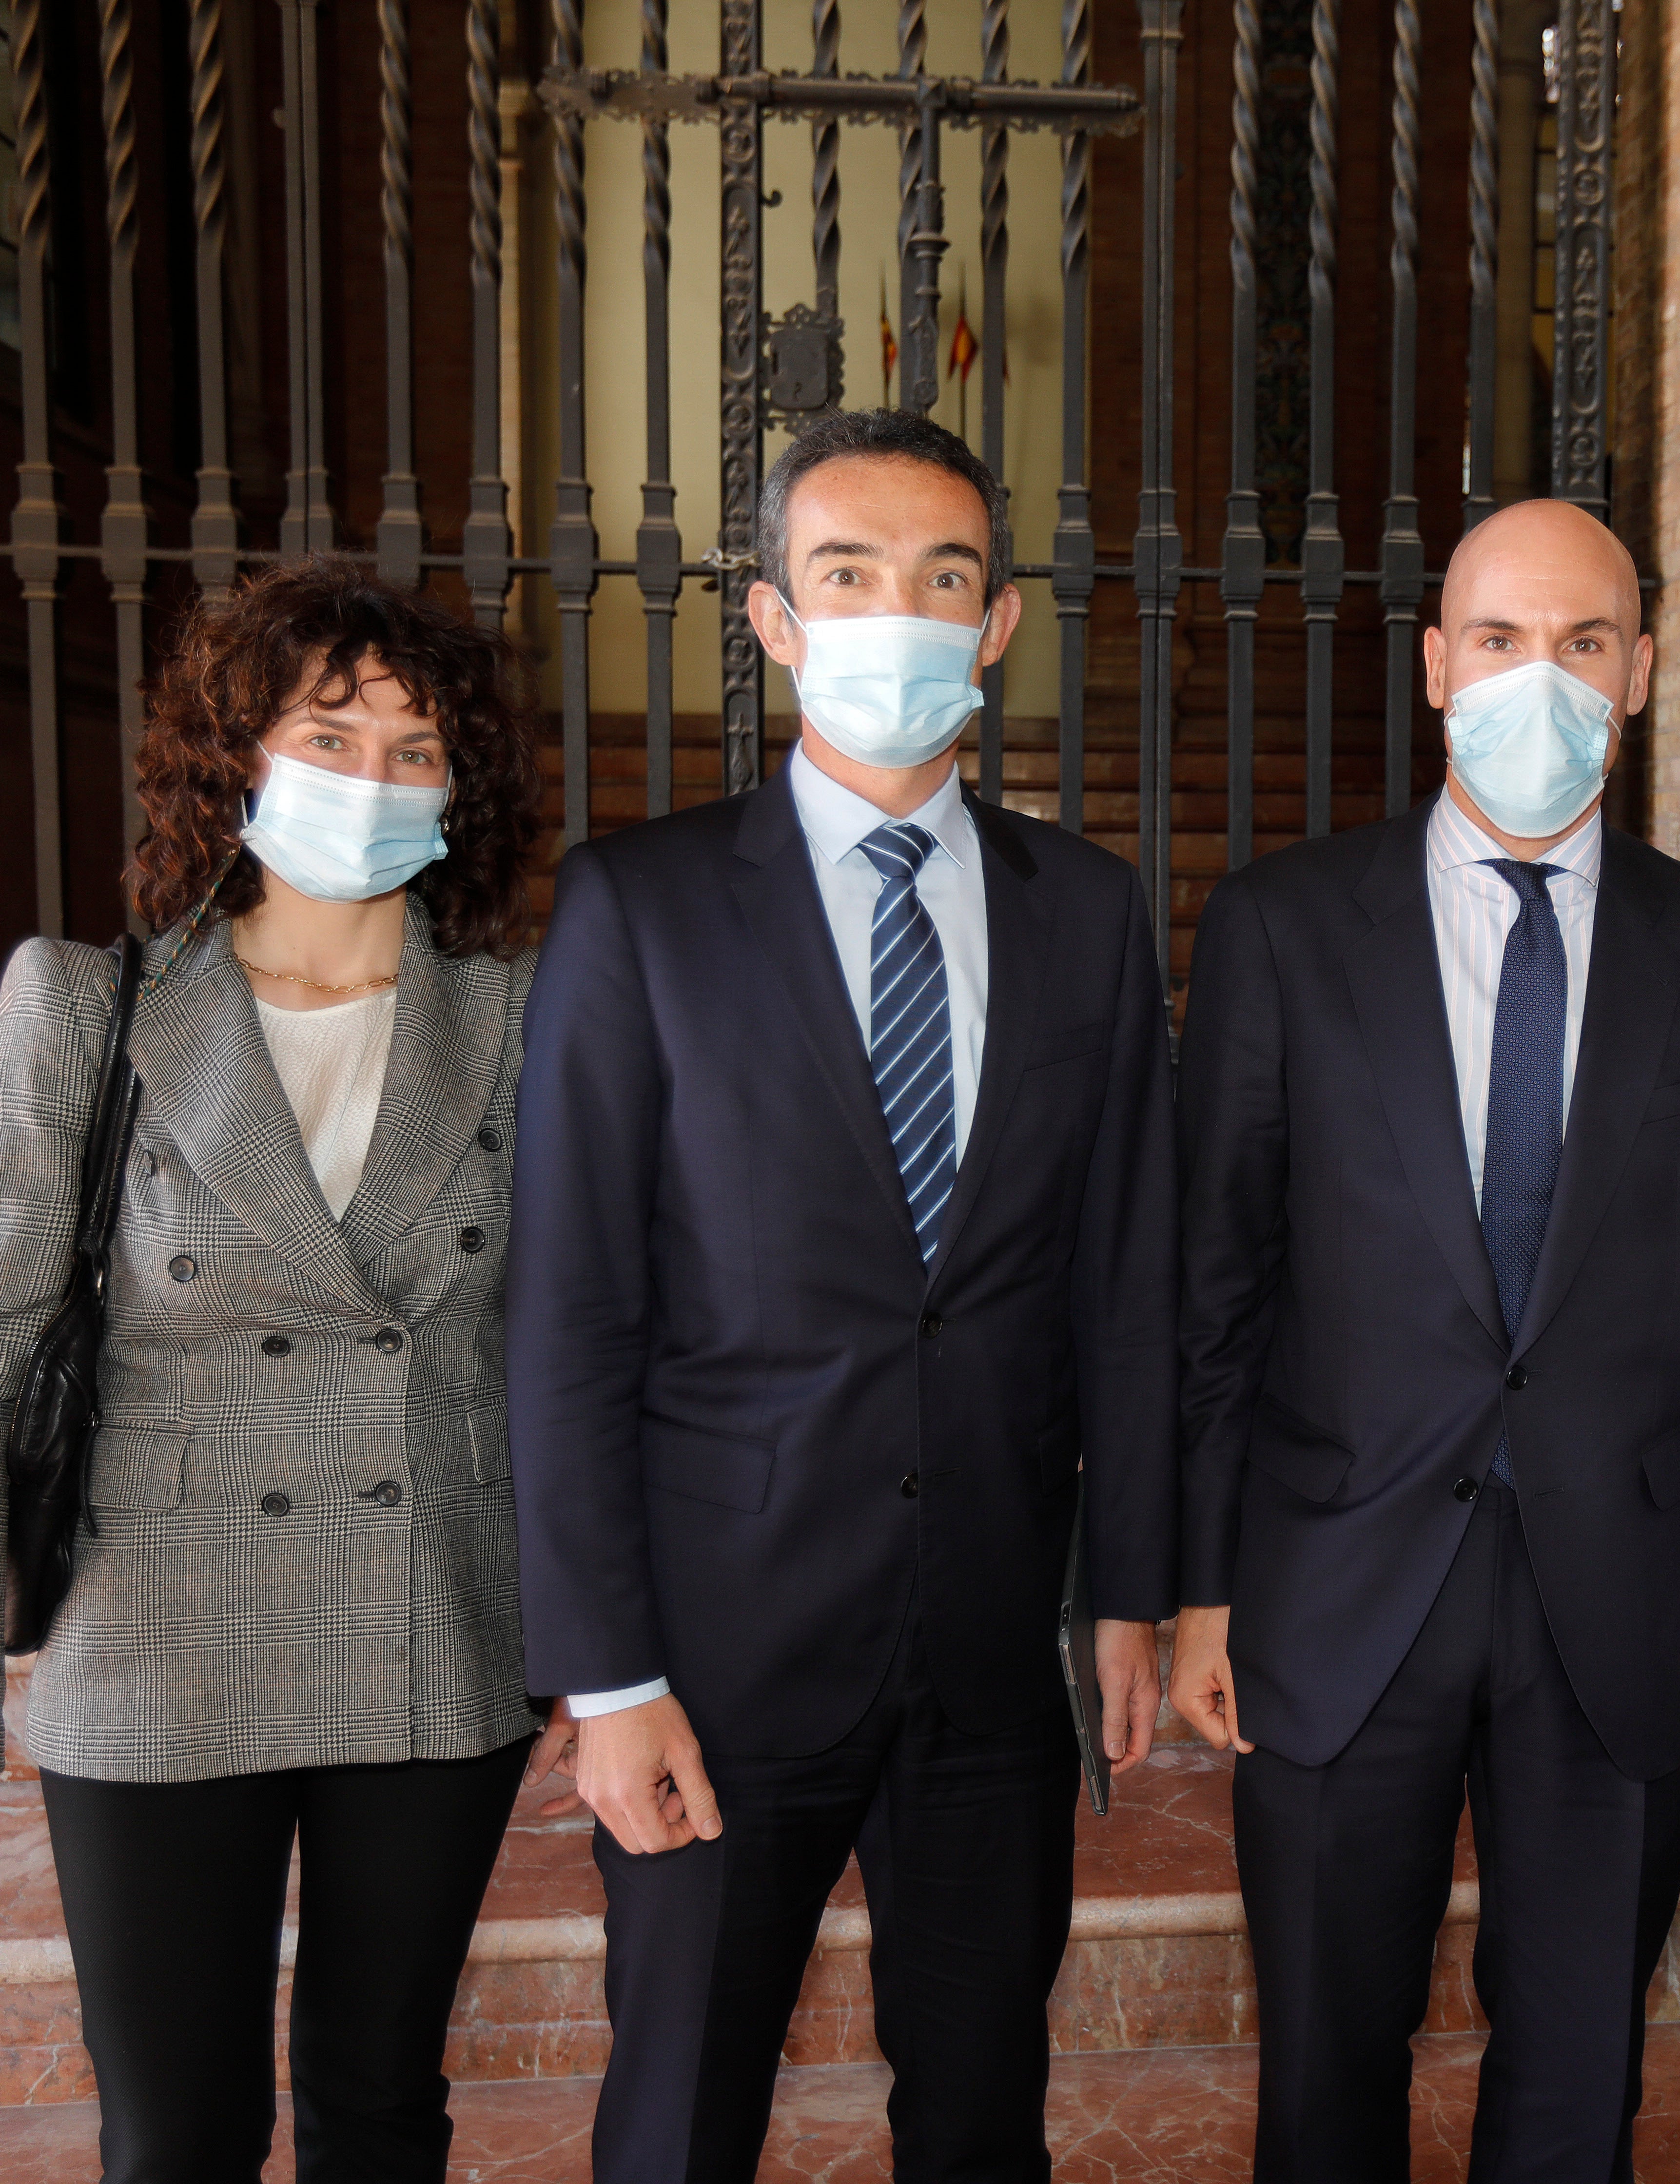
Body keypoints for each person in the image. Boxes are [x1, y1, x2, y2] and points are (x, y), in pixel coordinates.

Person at [507, 406, 1177, 2183]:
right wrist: (608, 1677)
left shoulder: (1090, 915)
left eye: (942, 577)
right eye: (850, 574)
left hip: (988, 1647)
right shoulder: (638, 912)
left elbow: (1124, 1278)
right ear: (775, 617)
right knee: (682, 2112)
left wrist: (1131, 1592)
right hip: (719, 1662)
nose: (901, 611)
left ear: (1001, 622)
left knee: (981, 2113)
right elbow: (569, 1314)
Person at [0, 560, 555, 2183]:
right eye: (328, 734)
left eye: (415, 748)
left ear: (464, 789)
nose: (369, 779)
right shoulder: (89, 1009)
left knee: (384, 2111)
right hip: (159, 1643)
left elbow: (577, 1355)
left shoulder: (521, 1022)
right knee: (177, 2135)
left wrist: (604, 1652)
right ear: (237, 755)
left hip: (428, 1626)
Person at [1163, 497, 1680, 2183]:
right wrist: (1204, 1584)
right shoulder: (1284, 927)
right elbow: (1218, 1284)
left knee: (1581, 2063)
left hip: (1624, 1596)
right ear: (1440, 666)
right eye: (1507, 640)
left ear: (1642, 674)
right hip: (1333, 1579)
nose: (1546, 677)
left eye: (1586, 643)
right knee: (1323, 2056)